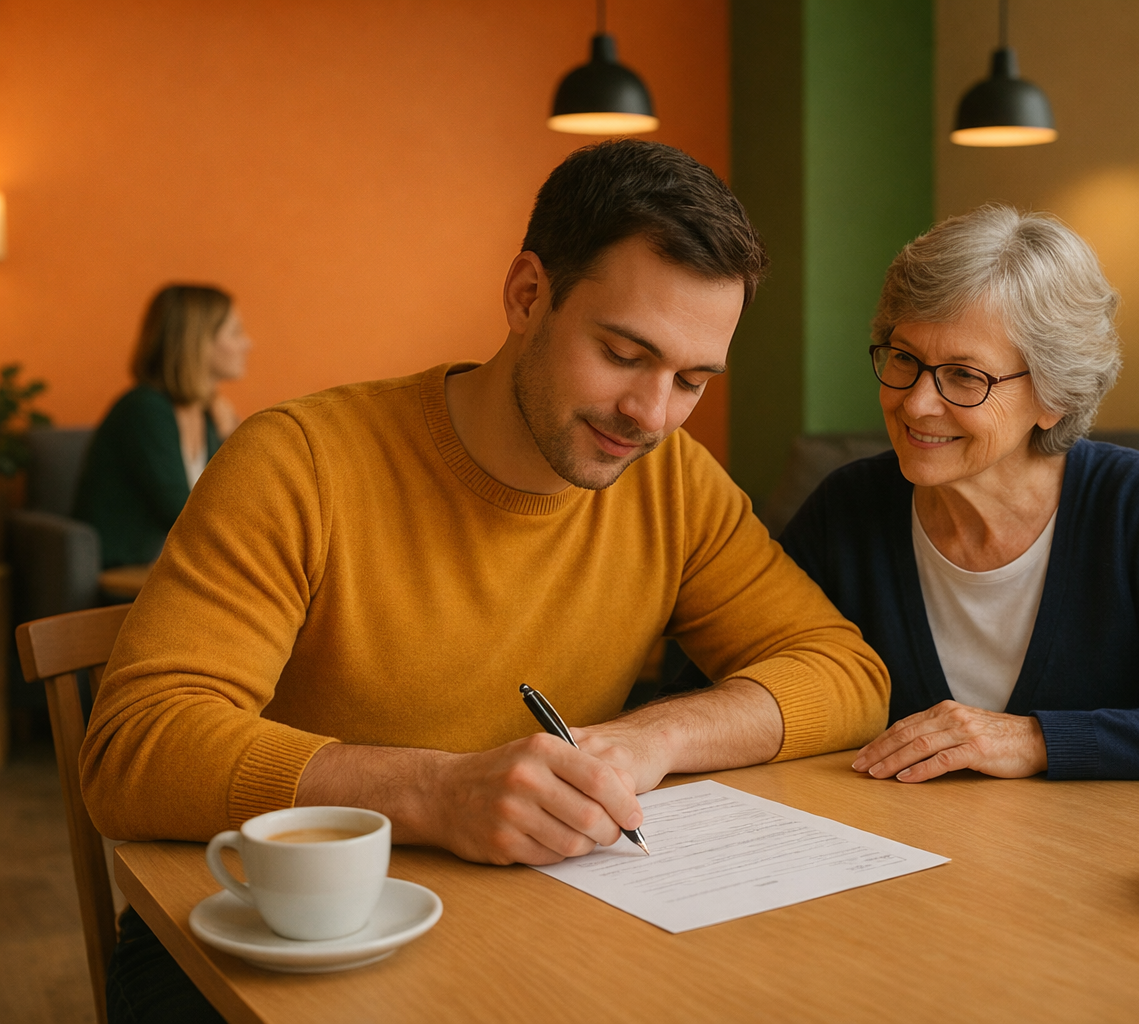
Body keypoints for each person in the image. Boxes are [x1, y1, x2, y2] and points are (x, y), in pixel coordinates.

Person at [82, 141, 889, 1022]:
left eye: (691, 380)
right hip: (277, 945)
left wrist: (648, 742)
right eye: (623, 353)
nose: (651, 415)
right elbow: (136, 748)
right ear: (526, 296)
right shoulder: (299, 462)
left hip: (530, 941)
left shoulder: (673, 483)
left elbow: (845, 675)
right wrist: (436, 792)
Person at [778, 206, 1139, 785]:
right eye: (905, 359)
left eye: (965, 375)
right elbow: (721, 678)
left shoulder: (1136, 504)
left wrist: (1037, 739)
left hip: (1091, 863)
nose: (915, 403)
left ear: (1054, 396)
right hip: (904, 859)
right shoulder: (848, 507)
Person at [73, 284, 251, 568]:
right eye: (235, 332)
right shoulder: (144, 409)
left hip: (173, 566)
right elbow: (183, 512)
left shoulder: (206, 414)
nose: (248, 344)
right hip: (127, 569)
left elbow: (235, 495)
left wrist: (231, 434)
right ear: (197, 341)